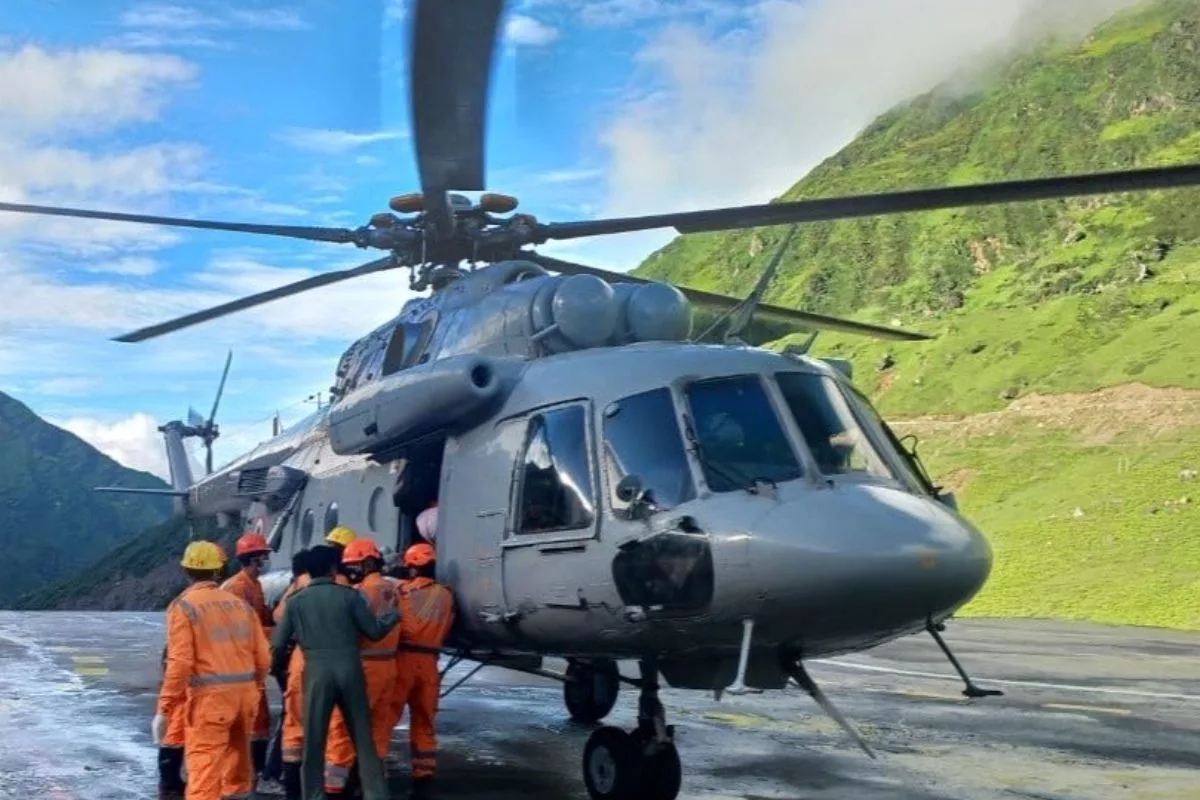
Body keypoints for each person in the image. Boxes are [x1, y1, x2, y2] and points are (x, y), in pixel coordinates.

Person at [270, 544, 400, 800]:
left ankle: (313, 795)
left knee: (314, 744)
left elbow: (278, 642)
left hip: (316, 672)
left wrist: (276, 669)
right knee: (364, 741)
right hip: (350, 670)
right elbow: (373, 632)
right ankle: (376, 793)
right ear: (332, 568)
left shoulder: (296, 602)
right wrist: (392, 617)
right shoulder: (349, 596)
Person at [153, 540, 270, 800]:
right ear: (218, 570)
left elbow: (180, 662)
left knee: (204, 773)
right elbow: (263, 657)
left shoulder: (184, 606)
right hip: (245, 698)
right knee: (238, 772)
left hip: (211, 701)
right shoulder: (240, 605)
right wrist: (255, 688)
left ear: (186, 570)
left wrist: (165, 708)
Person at [324, 538, 403, 796]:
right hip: (388, 667)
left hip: (363, 668)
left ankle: (335, 788)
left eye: (355, 565)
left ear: (368, 562)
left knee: (343, 730)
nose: (351, 570)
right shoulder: (395, 590)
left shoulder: (358, 594)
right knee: (379, 730)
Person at [391, 543, 456, 799]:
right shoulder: (447, 596)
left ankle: (373, 771)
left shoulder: (402, 592)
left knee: (386, 718)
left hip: (403, 659)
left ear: (412, 567)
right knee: (425, 722)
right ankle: (424, 776)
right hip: (430, 664)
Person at [221, 531, 279, 794]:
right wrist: (275, 633)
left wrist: (277, 616)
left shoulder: (253, 585)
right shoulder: (237, 587)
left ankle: (252, 774)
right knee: (252, 722)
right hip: (239, 665)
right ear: (253, 559)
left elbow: (261, 616)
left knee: (261, 721)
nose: (265, 562)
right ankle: (248, 776)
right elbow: (243, 629)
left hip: (251, 665)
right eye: (263, 557)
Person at [270, 549, 311, 800]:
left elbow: (278, 617)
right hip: (303, 658)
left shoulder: (295, 589)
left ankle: (285, 777)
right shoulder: (315, 586)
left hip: (293, 657)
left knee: (292, 718)